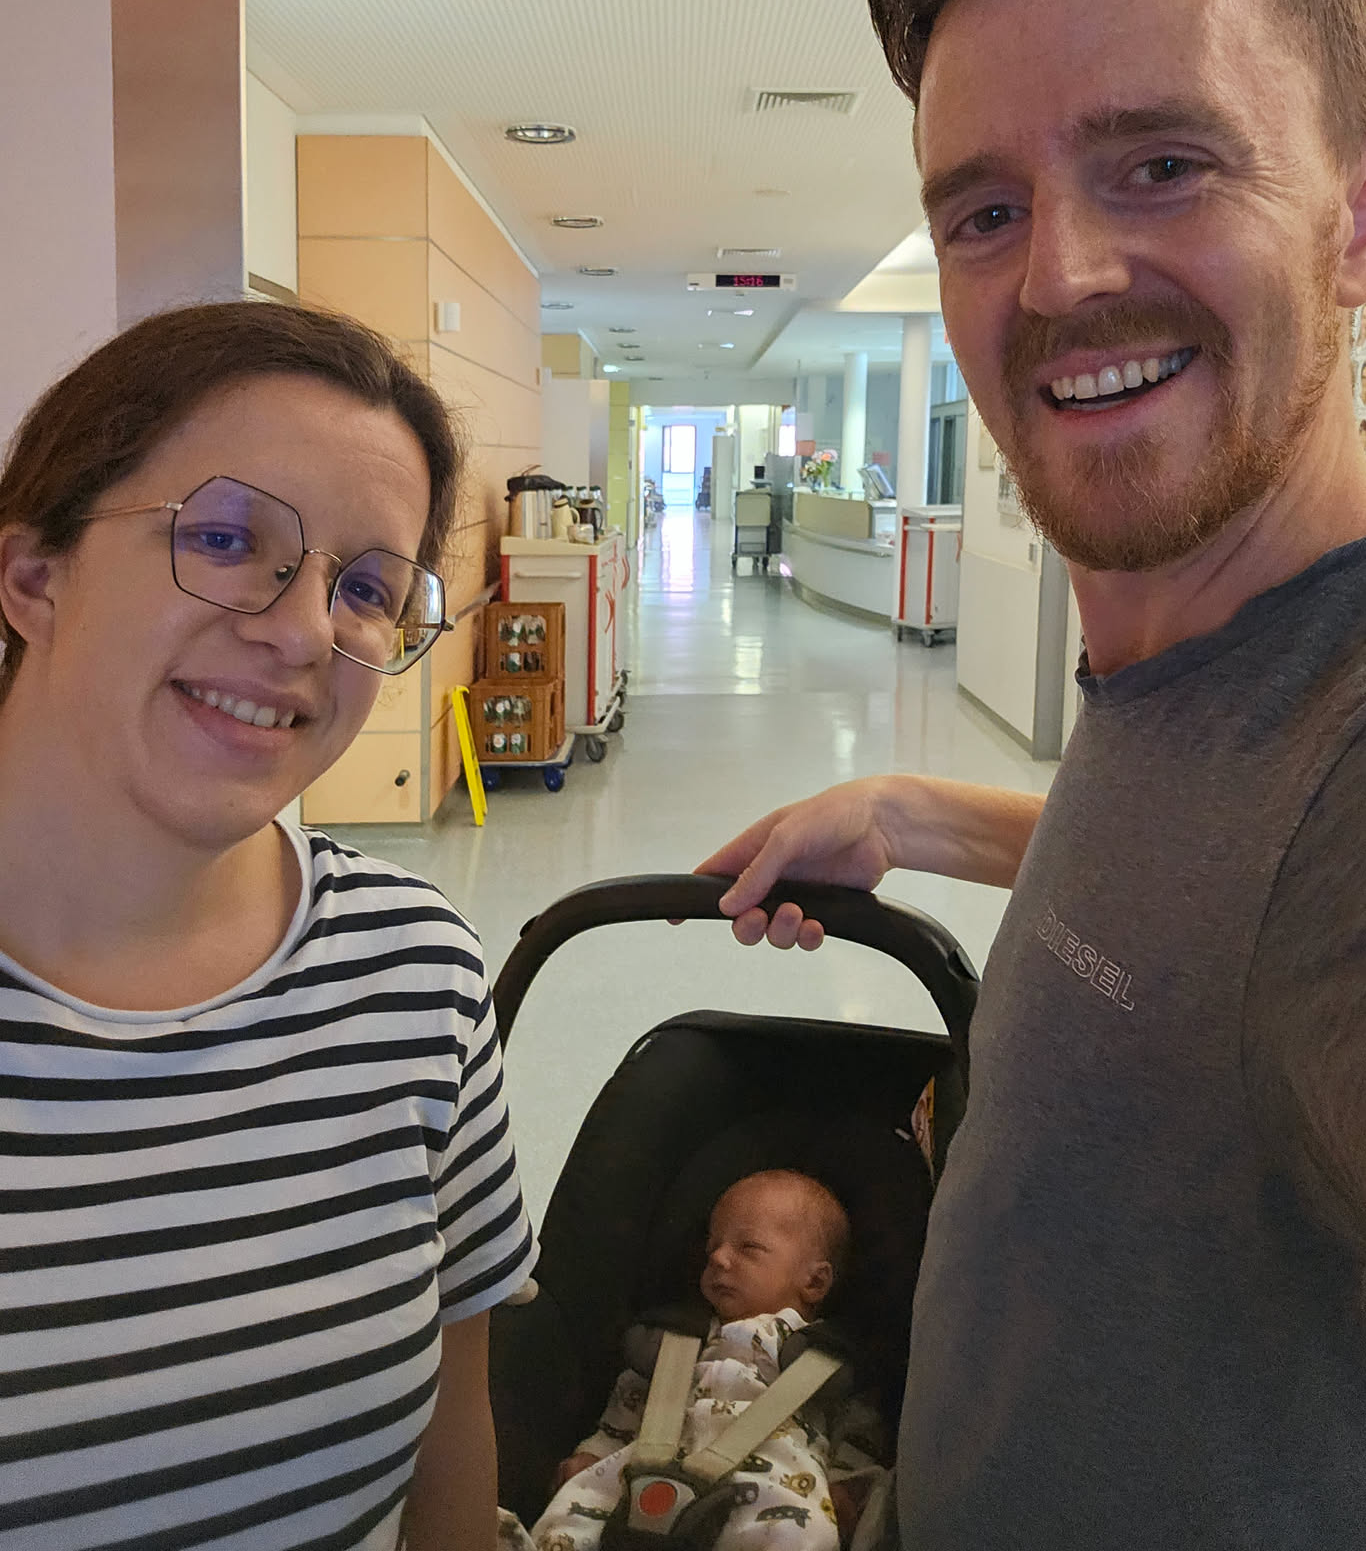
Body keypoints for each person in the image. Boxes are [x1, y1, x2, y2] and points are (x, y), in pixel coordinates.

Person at [702, 0, 1366, 1547]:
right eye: (986, 210)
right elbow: (1223, 901)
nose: (1060, 276)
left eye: (1164, 164)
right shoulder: (1215, 677)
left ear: (1364, 212)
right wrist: (912, 814)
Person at [0, 302, 534, 1550]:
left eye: (366, 588)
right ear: (34, 576)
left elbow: (454, 1445)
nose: (302, 631)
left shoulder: (416, 976)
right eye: (229, 538)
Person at [527, 1172, 882, 1551]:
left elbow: (859, 1425)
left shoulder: (823, 1358)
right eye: (713, 1245)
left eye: (748, 1247)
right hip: (646, 1469)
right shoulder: (678, 1337)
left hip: (772, 1484)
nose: (717, 1257)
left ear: (814, 1282)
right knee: (573, 1508)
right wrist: (594, 1452)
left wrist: (848, 1482)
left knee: (804, 1531)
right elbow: (630, 1400)